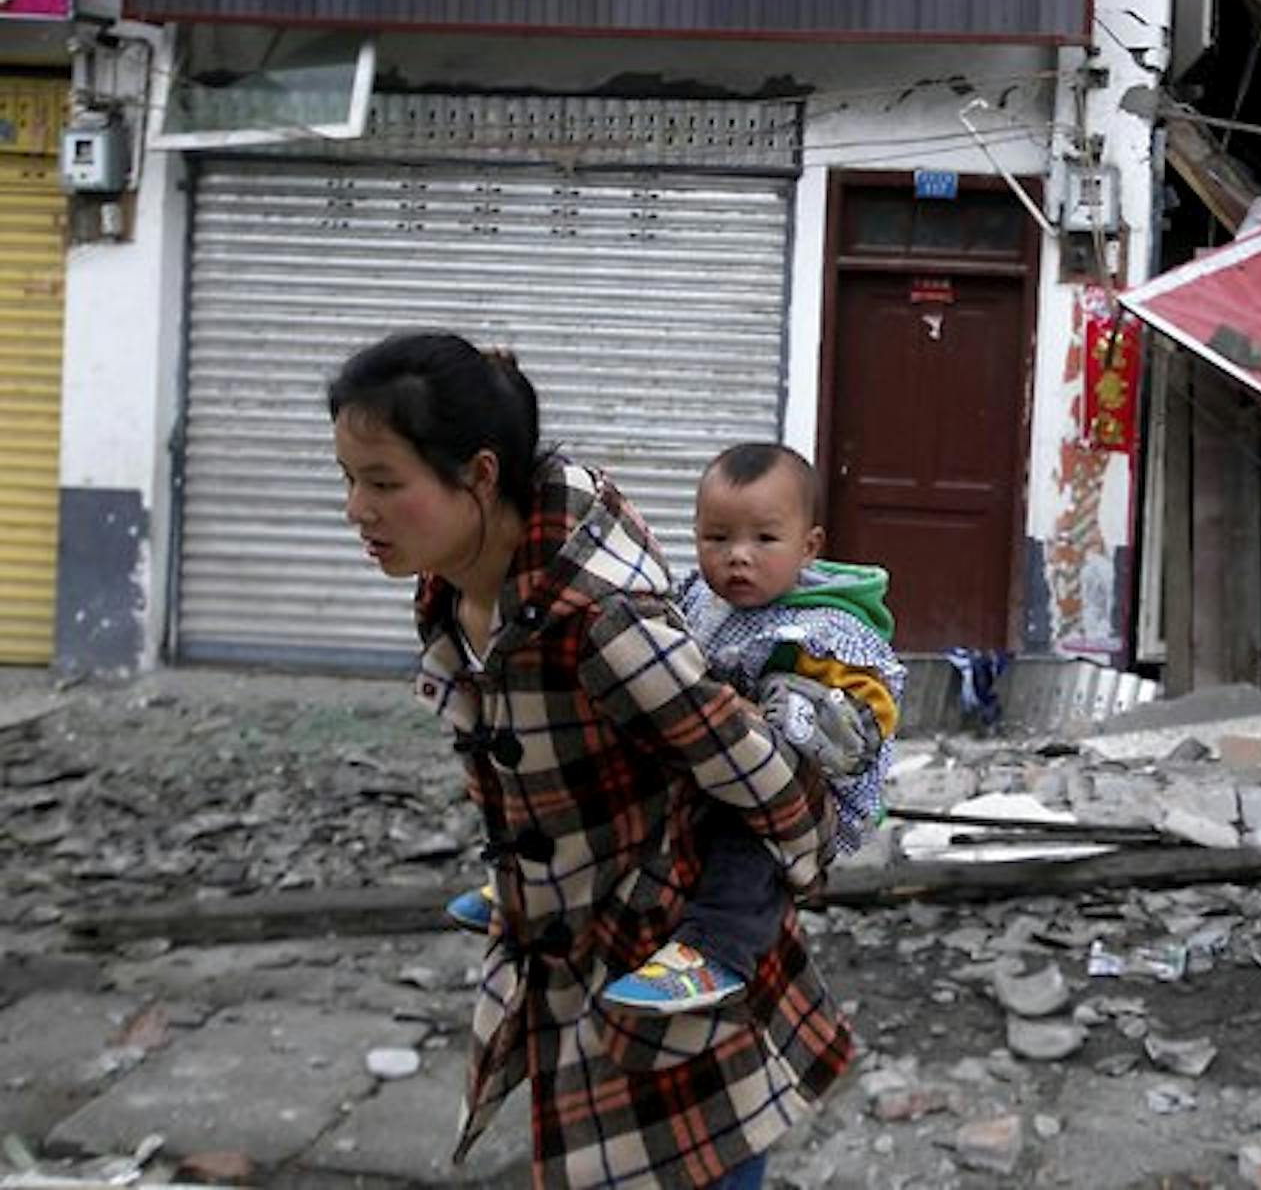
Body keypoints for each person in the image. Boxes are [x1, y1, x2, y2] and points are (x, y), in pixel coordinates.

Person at [328, 332, 850, 1190]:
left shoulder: (600, 621)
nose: (358, 508)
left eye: (384, 482)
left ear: (482, 475)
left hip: (668, 980)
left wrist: (735, 910)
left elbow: (773, 782)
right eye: (349, 478)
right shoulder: (455, 590)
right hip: (572, 971)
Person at [446, 441, 905, 1016]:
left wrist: (803, 714)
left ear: (808, 545)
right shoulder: (696, 599)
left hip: (791, 788)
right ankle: (537, 893)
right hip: (710, 753)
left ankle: (717, 948)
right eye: (718, 538)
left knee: (743, 845)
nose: (738, 557)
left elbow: (867, 716)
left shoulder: (827, 625)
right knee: (620, 786)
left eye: (764, 540)